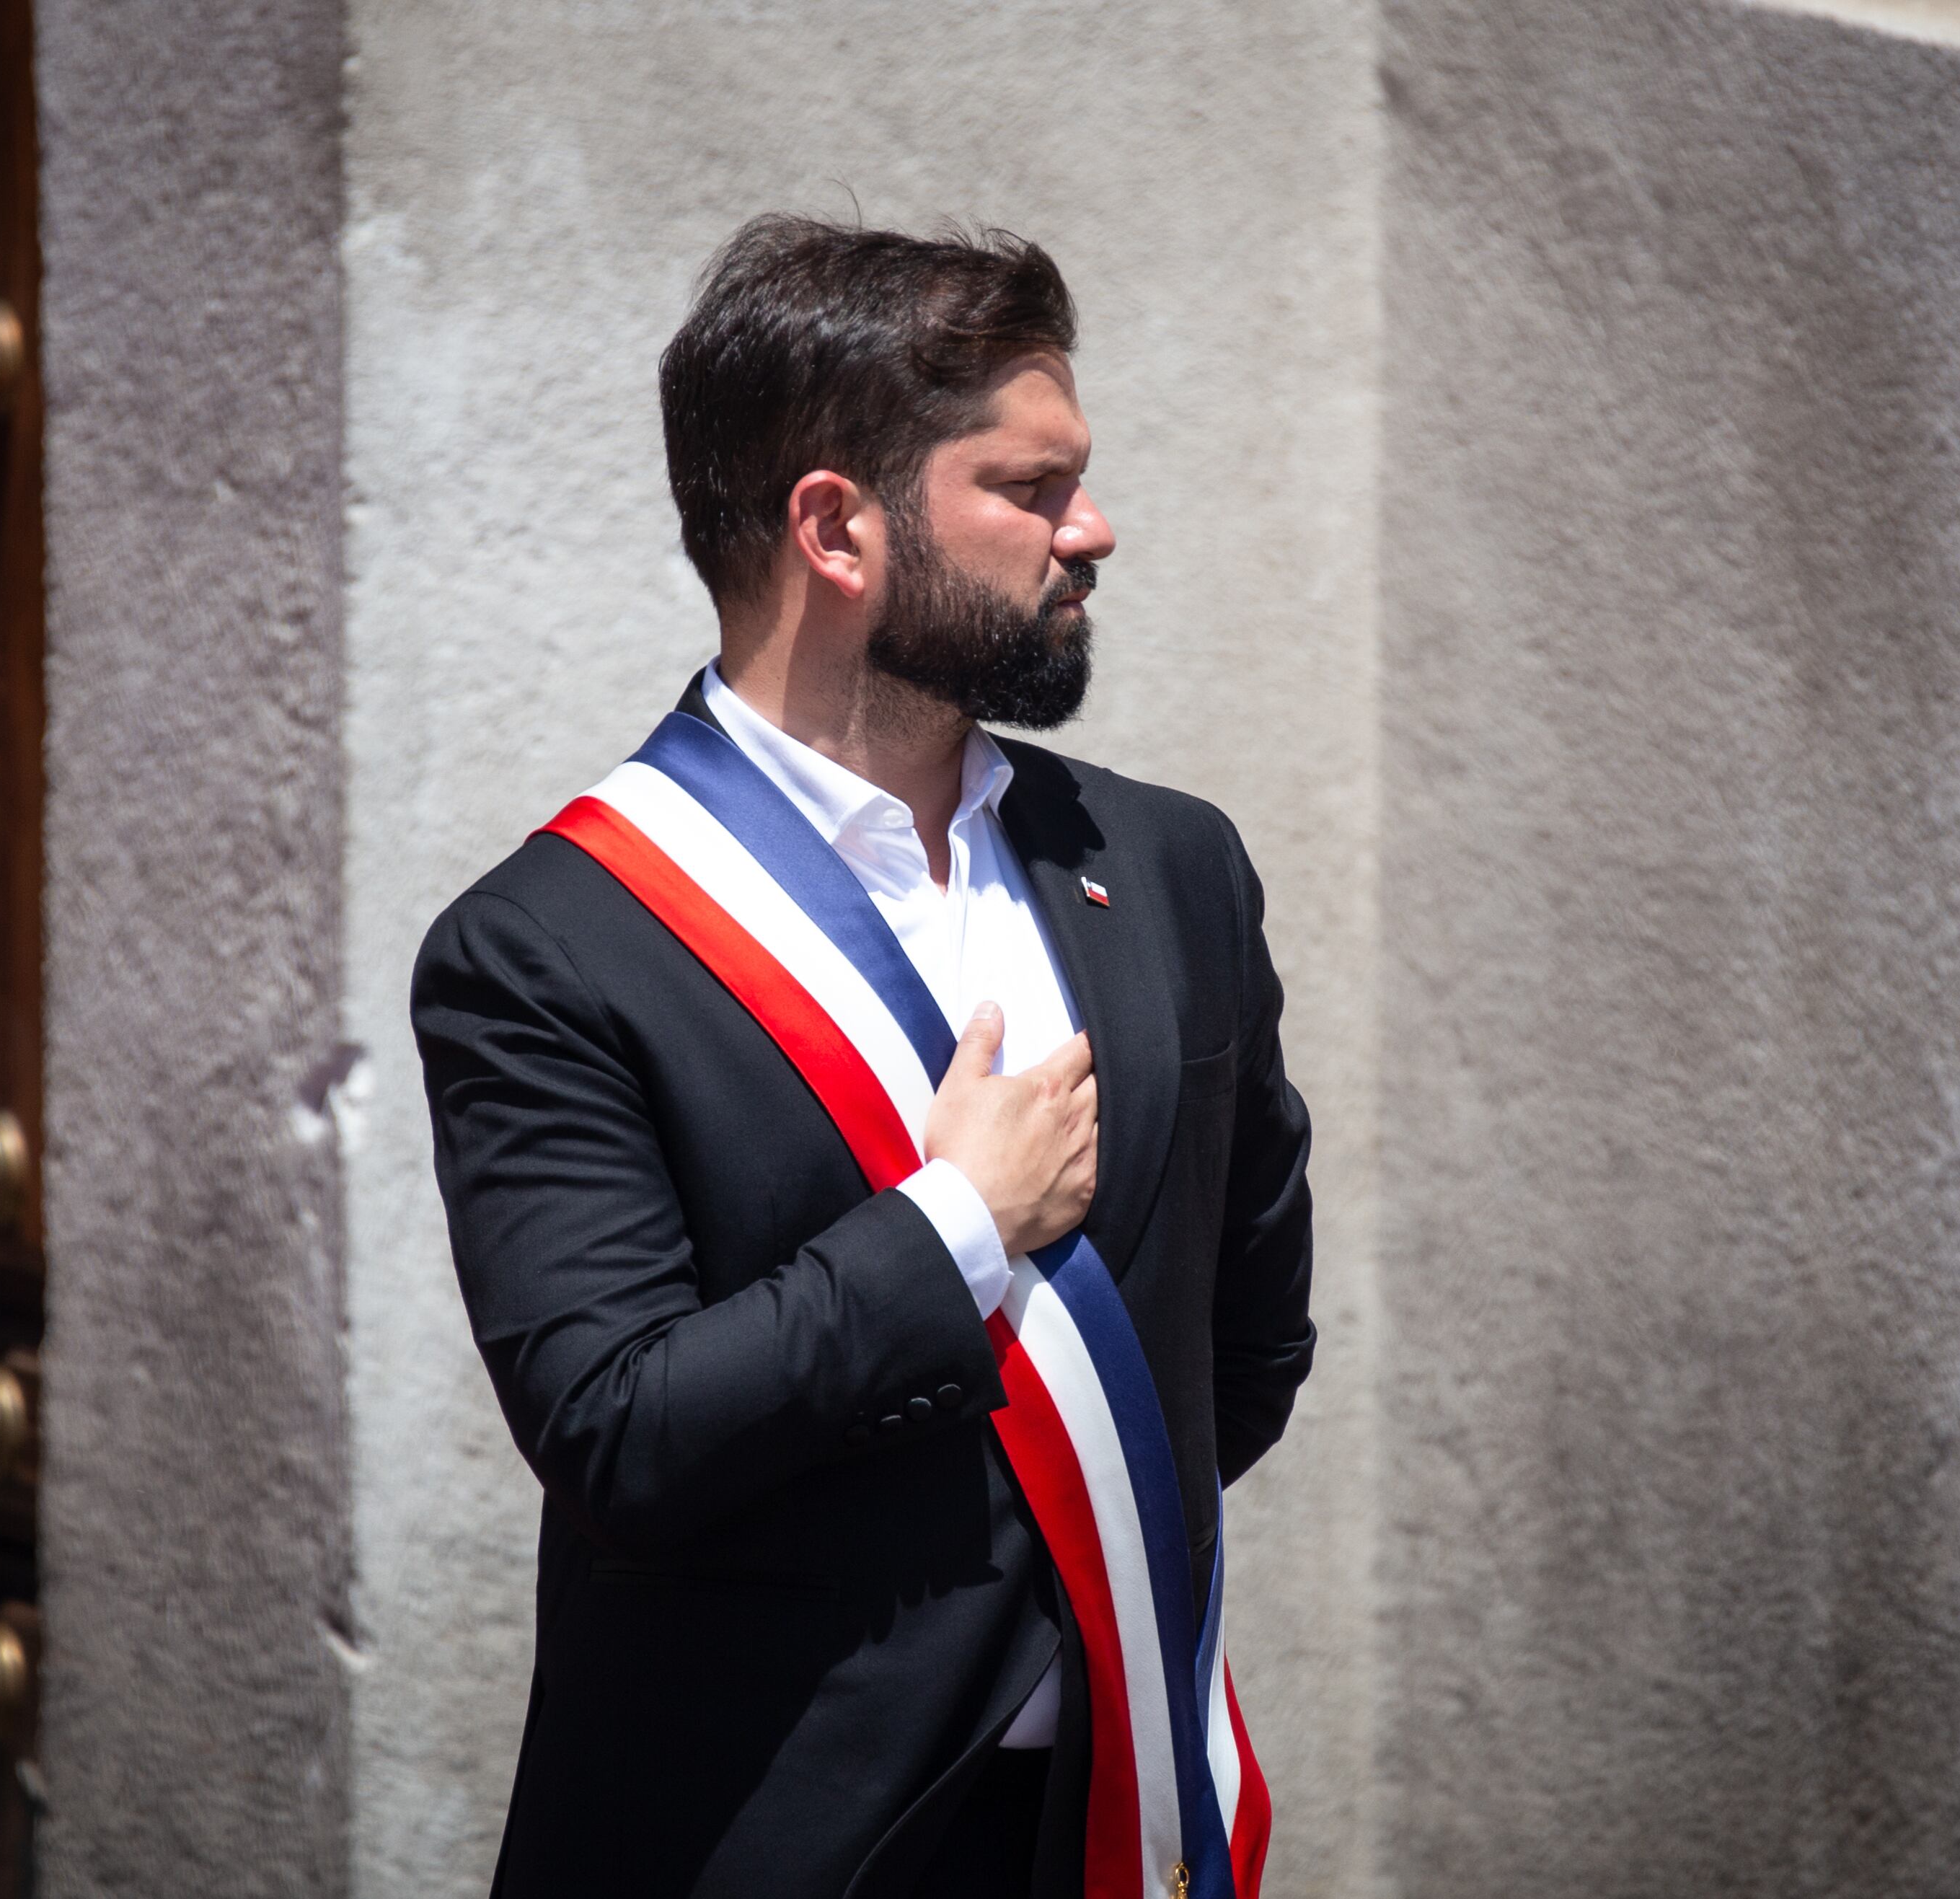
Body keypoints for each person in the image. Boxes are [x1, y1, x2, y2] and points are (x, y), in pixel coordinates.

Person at [410, 215, 1316, 1899]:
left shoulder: (1171, 868)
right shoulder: (547, 949)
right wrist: (952, 1227)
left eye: (1077, 480)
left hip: (1118, 1835)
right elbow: (619, 1432)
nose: (1091, 530)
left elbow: (1244, 1347)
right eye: (1027, 489)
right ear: (837, 526)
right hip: (772, 1843)